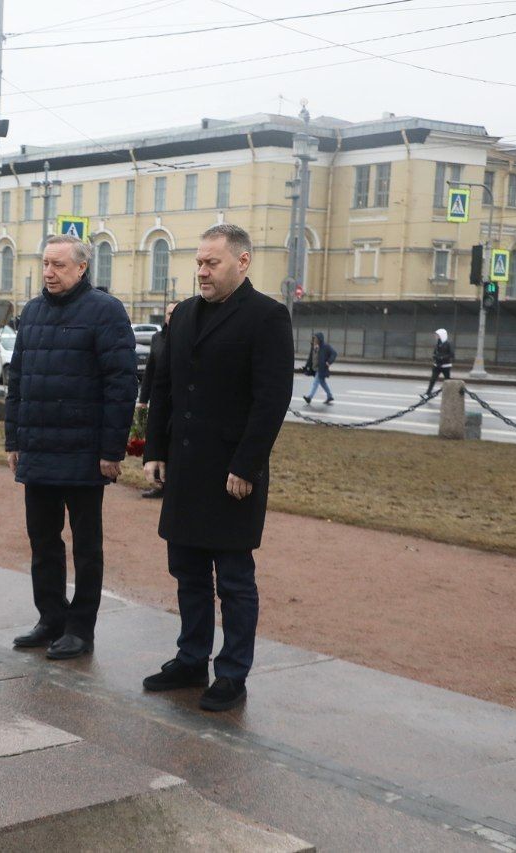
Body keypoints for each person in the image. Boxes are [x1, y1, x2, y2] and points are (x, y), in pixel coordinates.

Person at [142, 223, 293, 712]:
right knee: (186, 572)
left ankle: (231, 674)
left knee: (232, 579)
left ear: (242, 262)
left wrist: (247, 464)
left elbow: (271, 400)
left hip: (232, 474)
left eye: (212, 263)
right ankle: (191, 660)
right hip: (185, 469)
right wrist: (154, 450)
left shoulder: (267, 317)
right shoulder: (183, 315)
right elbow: (164, 386)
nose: (202, 271)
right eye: (199, 262)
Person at [5, 234, 136, 661]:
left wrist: (112, 450)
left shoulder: (106, 310)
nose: (49, 272)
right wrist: (14, 440)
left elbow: (122, 385)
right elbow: (18, 382)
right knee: (42, 542)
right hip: (38, 448)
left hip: (84, 452)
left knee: (86, 547)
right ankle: (51, 619)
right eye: (45, 263)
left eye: (59, 265)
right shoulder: (33, 310)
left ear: (82, 268)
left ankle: (81, 629)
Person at [138, 302, 175, 499]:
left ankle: (171, 484)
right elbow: (150, 371)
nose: (171, 316)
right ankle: (158, 484)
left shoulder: (185, 338)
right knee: (157, 440)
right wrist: (143, 399)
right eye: (169, 313)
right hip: (159, 400)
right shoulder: (157, 339)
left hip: (176, 401)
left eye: (175, 313)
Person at [301, 331, 336, 405]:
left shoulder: (325, 347)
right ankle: (330, 396)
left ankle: (309, 397)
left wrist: (329, 362)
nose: (315, 340)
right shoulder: (313, 347)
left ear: (320, 339)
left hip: (321, 368)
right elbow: (310, 358)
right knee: (322, 383)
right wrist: (306, 366)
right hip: (315, 368)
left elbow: (334, 353)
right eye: (314, 338)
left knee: (315, 383)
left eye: (316, 338)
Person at [423, 328, 454, 399]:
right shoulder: (438, 343)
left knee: (447, 380)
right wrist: (435, 357)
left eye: (437, 335)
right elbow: (434, 353)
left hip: (446, 366)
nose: (436, 336)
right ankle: (428, 393)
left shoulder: (449, 344)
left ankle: (450, 394)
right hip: (437, 365)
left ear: (442, 335)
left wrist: (442, 357)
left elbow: (452, 354)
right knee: (432, 379)